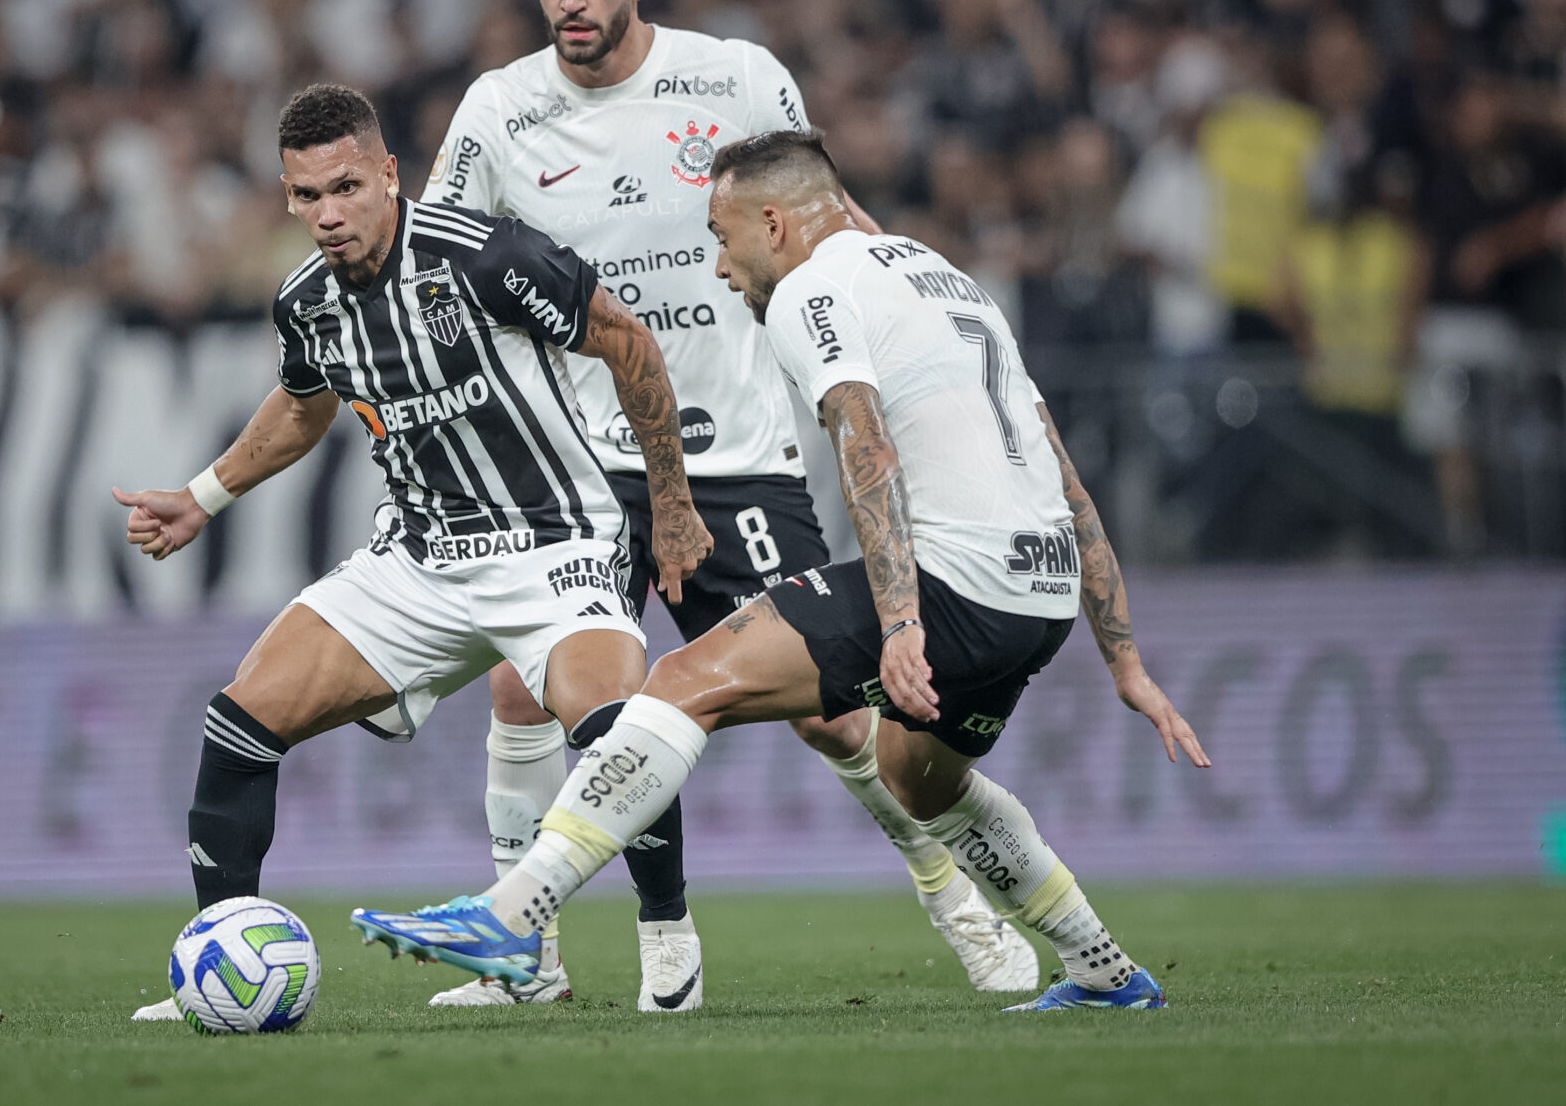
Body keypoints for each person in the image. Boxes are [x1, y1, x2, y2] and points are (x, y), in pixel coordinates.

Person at [356, 131, 1210, 1012]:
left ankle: (512, 911)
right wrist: (1126, 660)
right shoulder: (946, 276)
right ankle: (1106, 972)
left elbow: (864, 440)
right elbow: (1062, 472)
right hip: (1039, 595)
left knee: (682, 679)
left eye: (723, 240)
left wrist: (905, 622)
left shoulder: (812, 288)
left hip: (958, 583)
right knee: (920, 778)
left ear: (774, 223)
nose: (723, 270)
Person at [420, 0, 1037, 1011]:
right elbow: (438, 257)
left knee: (834, 716)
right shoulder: (497, 110)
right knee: (524, 691)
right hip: (582, 461)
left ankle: (952, 896)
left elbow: (826, 219)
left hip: (738, 454)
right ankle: (529, 962)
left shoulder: (738, 77)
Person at [123, 82, 712, 1021]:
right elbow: (303, 404)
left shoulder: (484, 256)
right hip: (420, 561)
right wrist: (203, 497)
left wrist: (672, 508)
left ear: (390, 174)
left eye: (346, 187)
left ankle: (667, 935)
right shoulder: (308, 302)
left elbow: (629, 343)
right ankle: (220, 961)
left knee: (612, 728)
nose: (328, 213)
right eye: (306, 195)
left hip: (553, 541)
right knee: (239, 722)